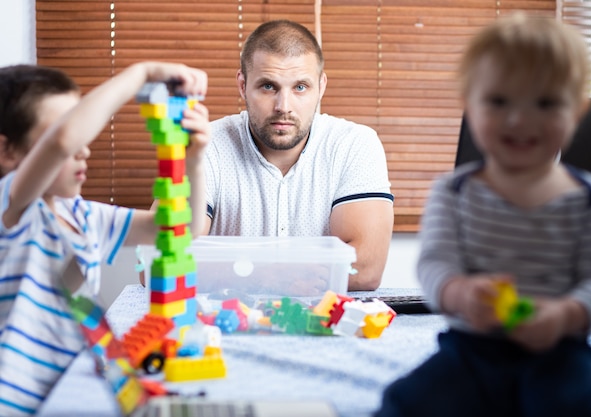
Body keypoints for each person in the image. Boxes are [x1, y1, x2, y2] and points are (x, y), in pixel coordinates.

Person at [375, 13, 591, 417]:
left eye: (544, 103)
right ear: (469, 105)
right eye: (498, 101)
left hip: (557, 352)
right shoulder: (453, 193)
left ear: (577, 110)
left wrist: (567, 314)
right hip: (474, 350)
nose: (518, 119)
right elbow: (436, 264)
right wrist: (460, 293)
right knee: (402, 403)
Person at [0, 62, 209, 416]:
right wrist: (142, 74)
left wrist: (195, 162)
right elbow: (64, 140)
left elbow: (181, 227)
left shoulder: (83, 216)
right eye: (63, 132)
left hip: (63, 394)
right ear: (8, 152)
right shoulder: (11, 209)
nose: (83, 149)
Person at [198, 20, 394, 291]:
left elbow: (365, 269)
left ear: (321, 86)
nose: (284, 107)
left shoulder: (354, 145)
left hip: (323, 326)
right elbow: (162, 266)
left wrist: (250, 274)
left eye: (300, 87)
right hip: (221, 326)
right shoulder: (205, 146)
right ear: (243, 86)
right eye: (268, 86)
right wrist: (269, 277)